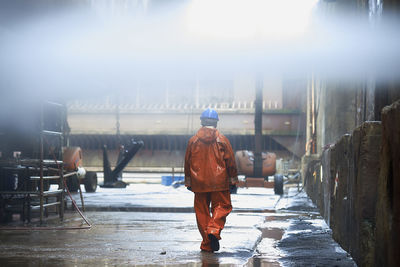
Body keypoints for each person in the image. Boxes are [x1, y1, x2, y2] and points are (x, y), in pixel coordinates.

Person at [184, 108, 238, 252]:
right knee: (223, 206)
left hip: (199, 182)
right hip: (219, 182)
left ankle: (207, 244)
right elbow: (230, 162)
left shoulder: (193, 140)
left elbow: (187, 162)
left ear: (202, 121)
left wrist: (189, 182)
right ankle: (214, 230)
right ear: (216, 122)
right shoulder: (222, 140)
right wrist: (233, 181)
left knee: (202, 212)